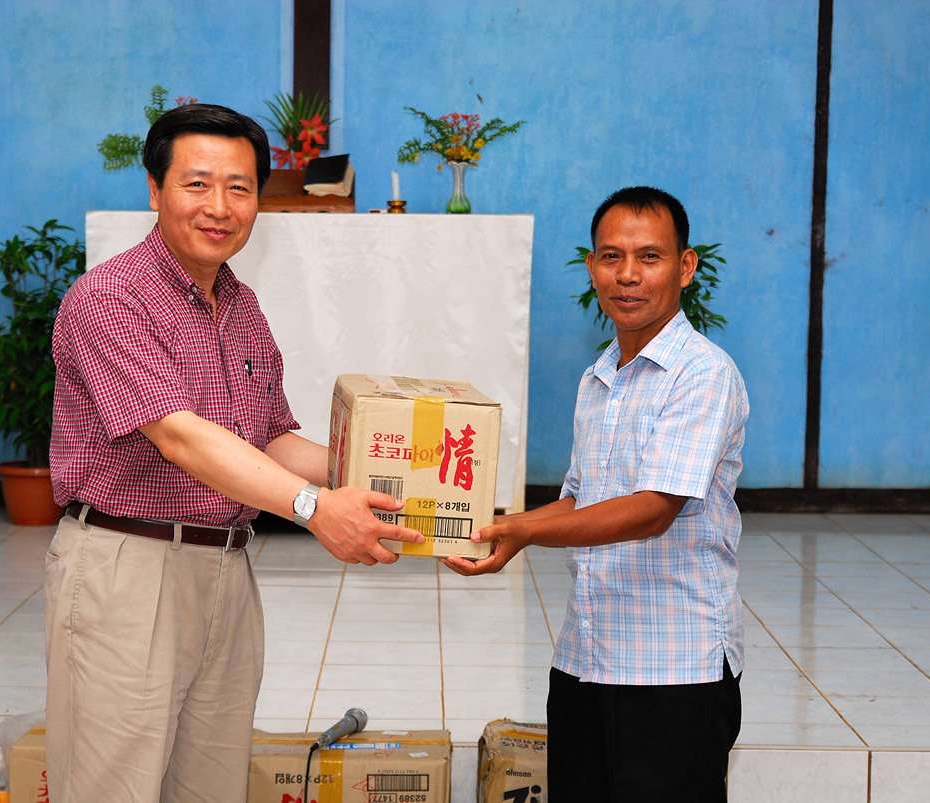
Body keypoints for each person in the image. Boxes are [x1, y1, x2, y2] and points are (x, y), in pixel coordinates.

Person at [43, 103, 422, 803]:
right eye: (197, 184)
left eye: (240, 187)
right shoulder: (111, 297)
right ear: (155, 190)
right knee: (111, 786)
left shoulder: (240, 306)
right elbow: (179, 434)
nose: (219, 207)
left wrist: (405, 481)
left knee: (210, 786)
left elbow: (269, 438)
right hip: (129, 569)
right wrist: (314, 508)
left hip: (226, 567)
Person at [445, 186, 749, 801]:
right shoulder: (600, 376)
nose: (627, 275)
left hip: (674, 670)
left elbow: (653, 510)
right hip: (587, 658)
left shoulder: (703, 373)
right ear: (591, 267)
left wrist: (524, 530)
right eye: (611, 257)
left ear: (685, 267)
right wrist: (507, 530)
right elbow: (580, 499)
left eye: (649, 257)